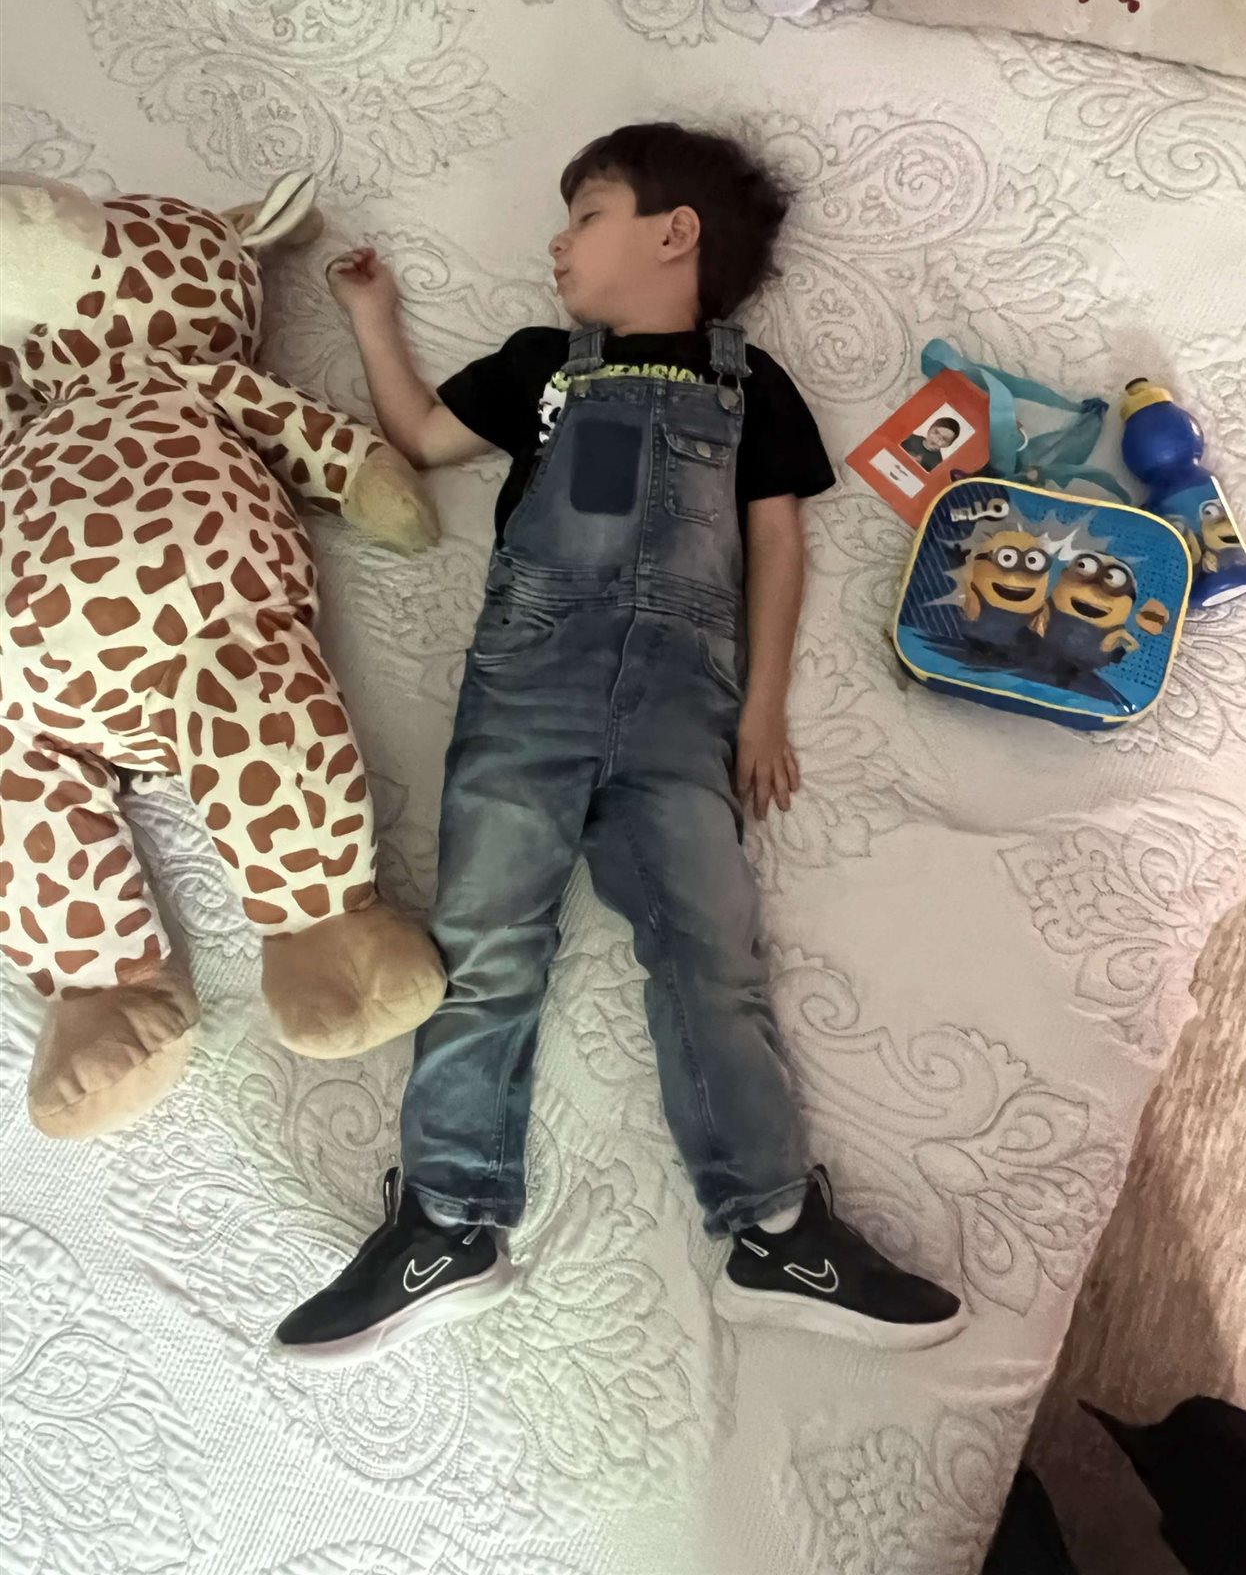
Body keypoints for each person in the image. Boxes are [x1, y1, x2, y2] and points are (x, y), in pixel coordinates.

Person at [272, 123, 963, 1365]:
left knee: (713, 956)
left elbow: (776, 546)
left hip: (681, 709)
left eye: (585, 214)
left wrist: (762, 709)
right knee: (482, 949)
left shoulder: (753, 383)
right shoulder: (546, 365)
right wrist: (371, 316)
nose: (558, 241)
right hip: (529, 690)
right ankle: (447, 1220)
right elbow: (421, 437)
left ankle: (774, 1230)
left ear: (674, 234)